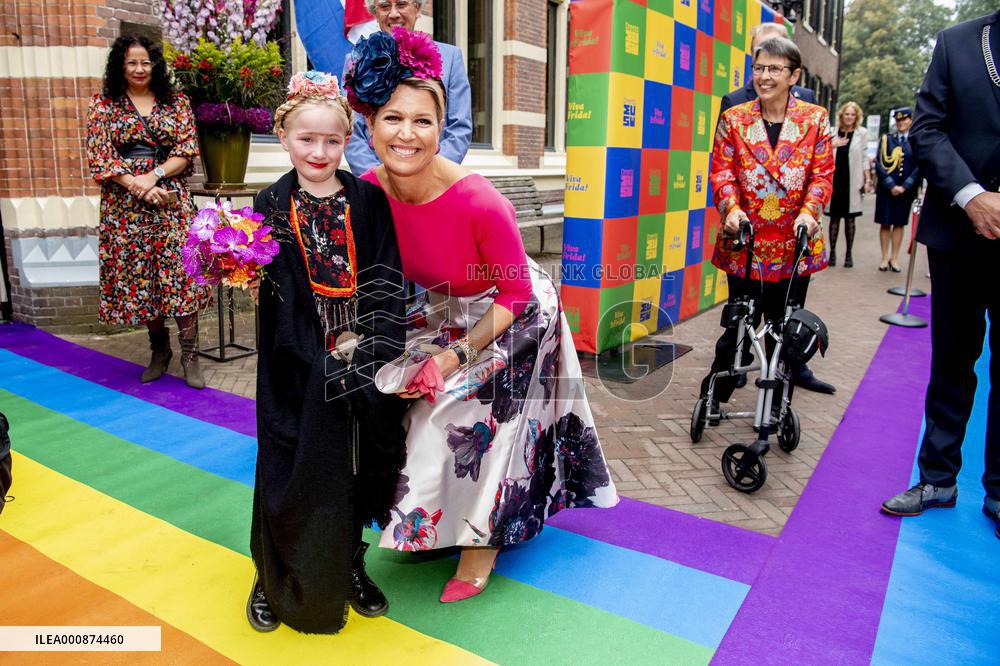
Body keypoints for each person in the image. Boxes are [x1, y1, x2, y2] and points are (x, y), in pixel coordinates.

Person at [344, 30, 618, 603]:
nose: (407, 134)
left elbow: (515, 297)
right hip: (446, 307)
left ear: (442, 128)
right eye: (393, 118)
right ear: (369, 124)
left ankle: (479, 545)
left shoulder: (478, 200)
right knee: (395, 393)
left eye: (423, 121)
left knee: (469, 402)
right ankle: (438, 512)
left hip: (515, 310)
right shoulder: (368, 192)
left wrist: (451, 355)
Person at [247, 71, 409, 633]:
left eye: (332, 140)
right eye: (305, 138)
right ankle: (274, 573)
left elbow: (389, 277)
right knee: (290, 466)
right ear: (282, 135)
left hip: (362, 357)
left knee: (360, 470)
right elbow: (274, 297)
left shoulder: (368, 199)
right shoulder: (267, 203)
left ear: (348, 141)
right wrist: (316, 359)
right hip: (297, 362)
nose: (319, 151)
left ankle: (348, 563)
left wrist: (369, 348)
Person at [881, 10, 1000, 541]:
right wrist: (972, 196)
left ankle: (998, 490)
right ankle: (937, 480)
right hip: (958, 229)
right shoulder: (958, 42)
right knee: (953, 357)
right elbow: (927, 130)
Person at [699, 37, 835, 413]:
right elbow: (722, 172)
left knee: (783, 328)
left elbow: (822, 175)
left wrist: (810, 212)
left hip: (795, 244)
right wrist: (730, 209)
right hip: (746, 241)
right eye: (759, 67)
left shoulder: (815, 119)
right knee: (738, 324)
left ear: (794, 75)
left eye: (775, 69)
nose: (764, 76)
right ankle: (714, 396)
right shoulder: (734, 118)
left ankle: (775, 406)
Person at [86, 34, 207, 388]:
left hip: (171, 202)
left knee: (181, 277)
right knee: (143, 279)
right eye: (131, 62)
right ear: (120, 66)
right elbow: (101, 156)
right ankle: (160, 351)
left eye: (145, 62)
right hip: (126, 207)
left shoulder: (177, 103)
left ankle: (190, 354)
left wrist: (153, 176)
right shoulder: (103, 105)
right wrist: (137, 185)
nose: (139, 69)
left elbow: (186, 150)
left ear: (155, 65)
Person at [344, 0, 472, 173]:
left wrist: (429, 176)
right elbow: (352, 130)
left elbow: (459, 128)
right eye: (385, 6)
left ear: (417, 8)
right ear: (375, 13)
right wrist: (379, 181)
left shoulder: (450, 58)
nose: (394, 13)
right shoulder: (356, 59)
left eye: (401, 4)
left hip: (433, 181)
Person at [719, 23, 816, 115]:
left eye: (774, 48)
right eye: (760, 50)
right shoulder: (733, 103)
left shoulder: (807, 99)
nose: (766, 54)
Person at [873, 107, 921, 272]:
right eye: (899, 120)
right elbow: (879, 163)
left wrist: (905, 186)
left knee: (899, 224)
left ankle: (894, 258)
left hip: (905, 190)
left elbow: (919, 165)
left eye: (905, 119)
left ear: (910, 120)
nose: (901, 123)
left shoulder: (915, 140)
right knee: (885, 222)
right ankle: (884, 257)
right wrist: (891, 185)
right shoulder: (887, 139)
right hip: (887, 189)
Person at [825, 101, 870, 268]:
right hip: (835, 179)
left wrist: (868, 180)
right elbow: (822, 152)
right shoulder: (832, 132)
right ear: (841, 115)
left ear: (856, 116)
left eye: (852, 114)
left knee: (850, 219)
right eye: (847, 114)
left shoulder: (861, 133)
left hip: (852, 179)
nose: (849, 117)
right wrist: (832, 145)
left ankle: (849, 254)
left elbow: (865, 158)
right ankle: (832, 252)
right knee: (834, 218)